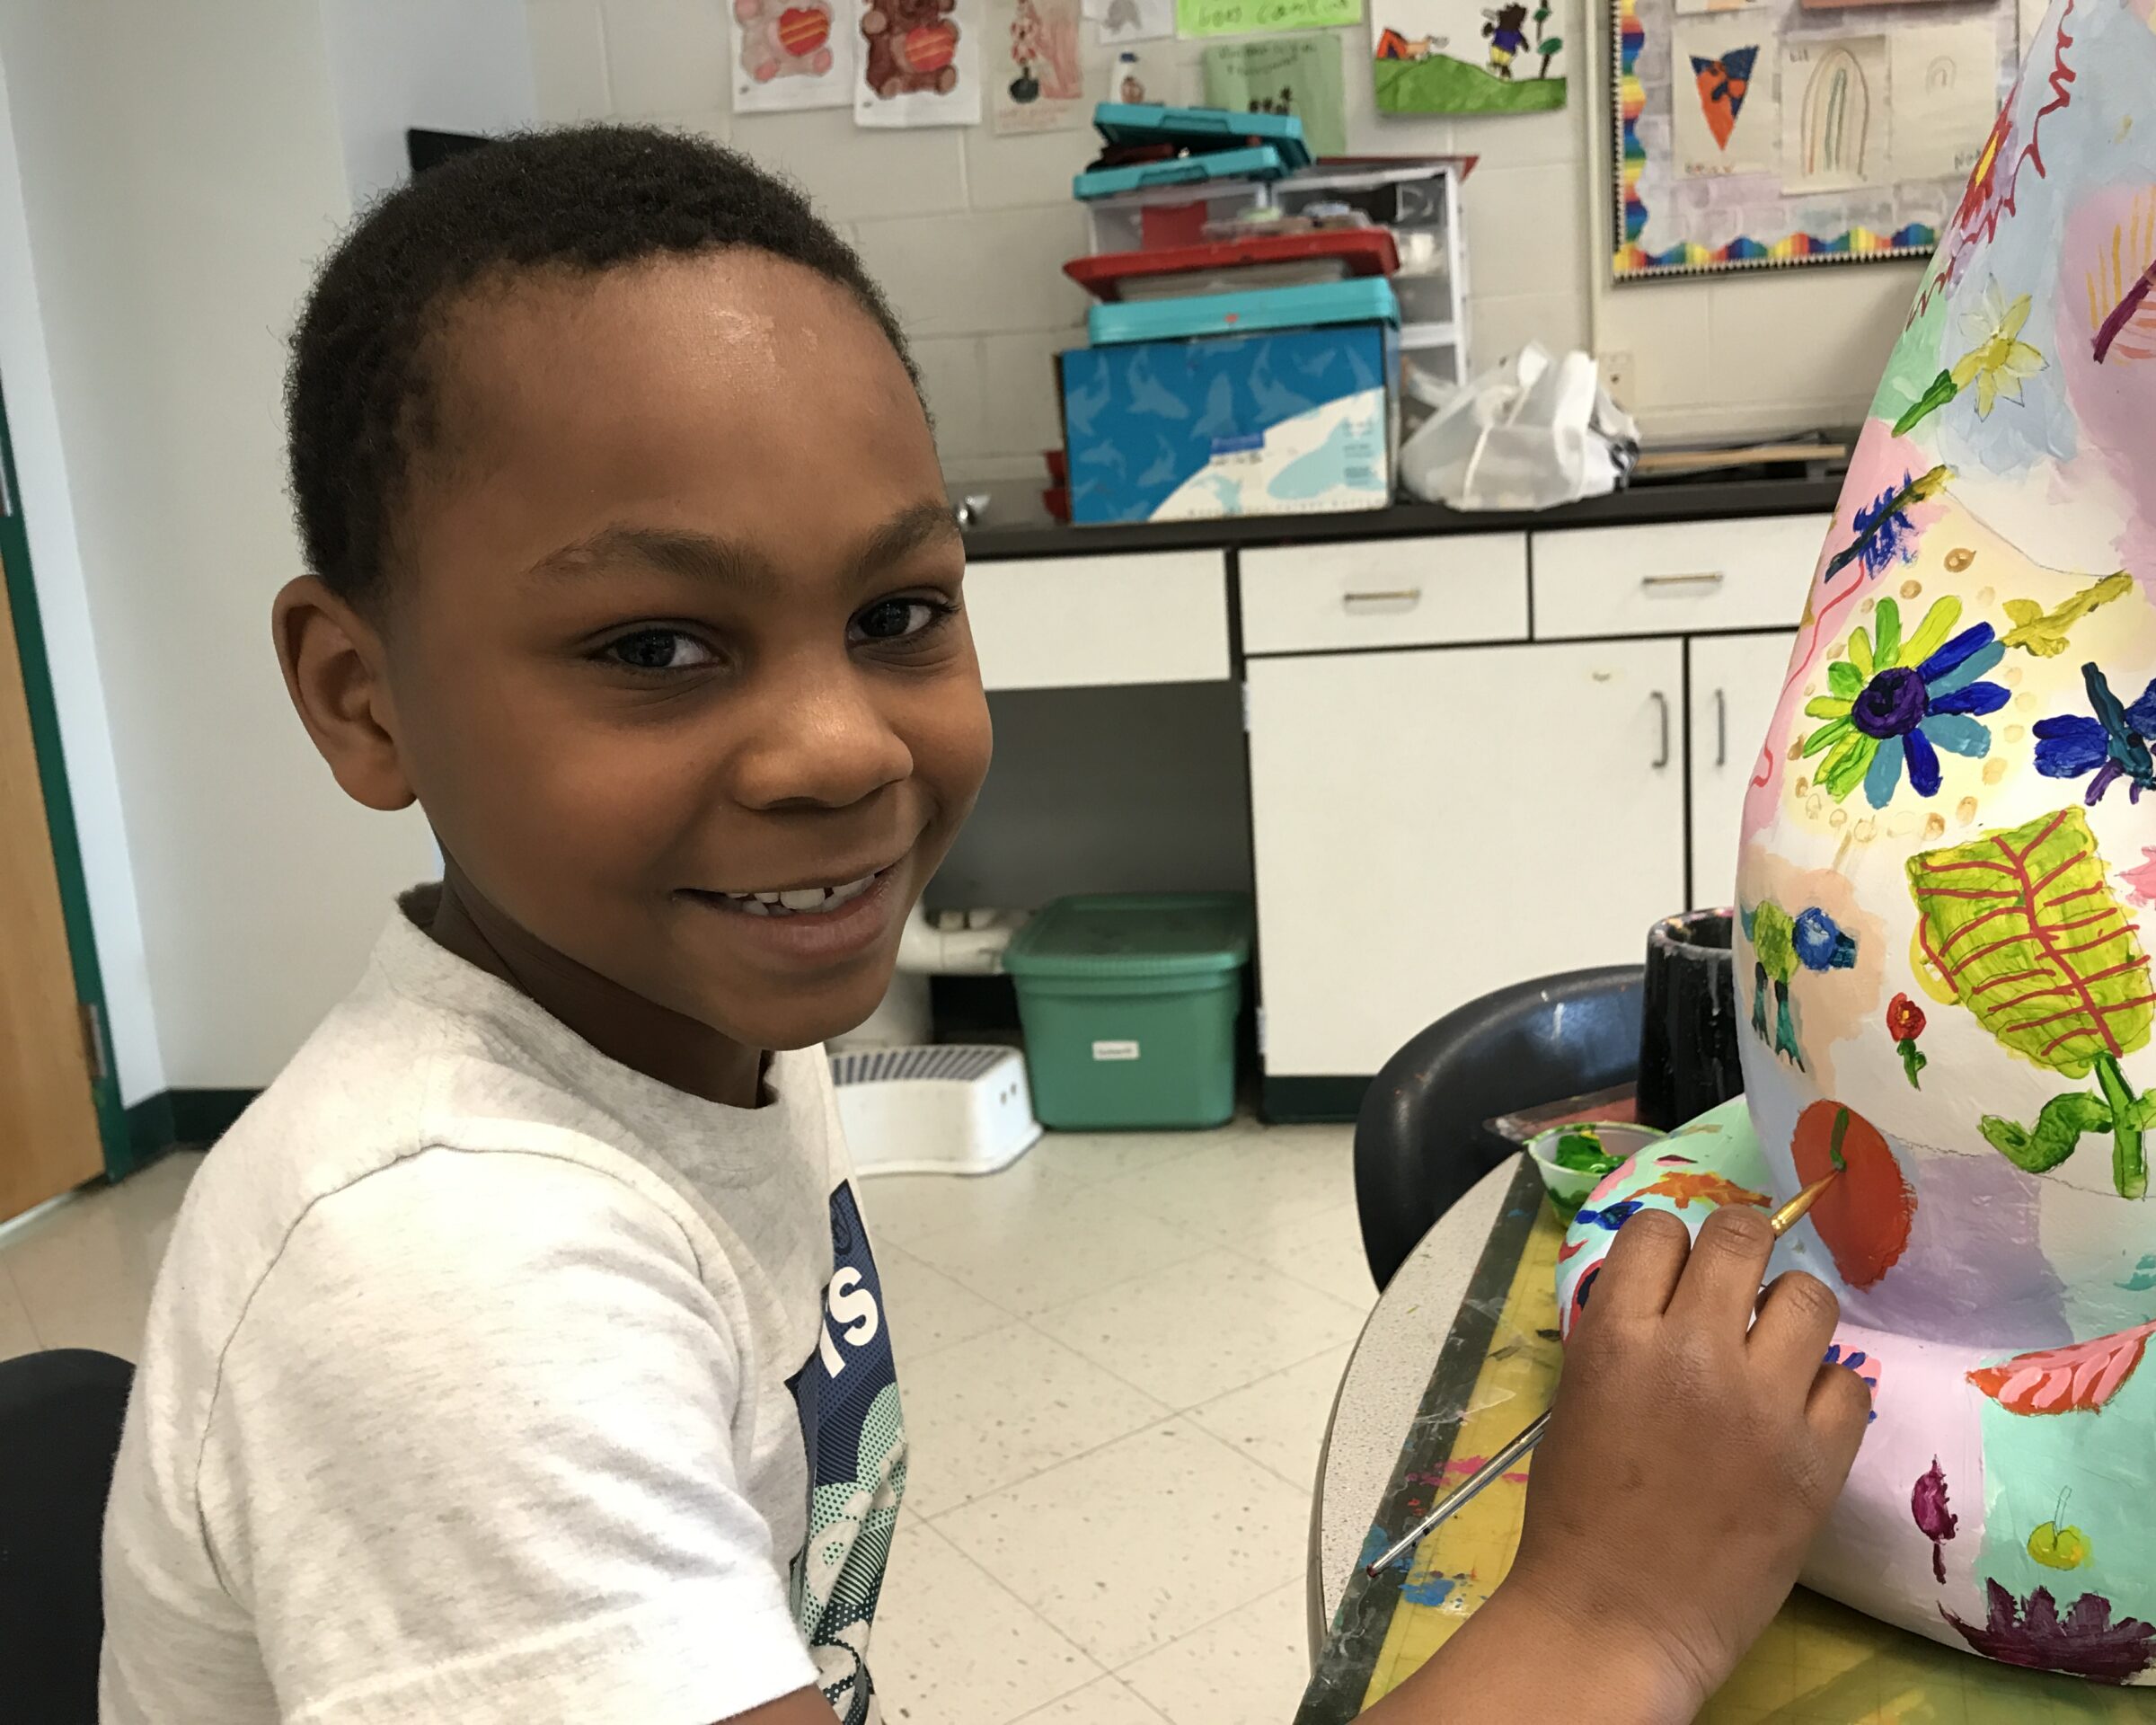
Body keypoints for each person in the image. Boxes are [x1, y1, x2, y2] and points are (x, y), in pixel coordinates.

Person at [97, 126, 1872, 1725]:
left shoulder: (683, 1029)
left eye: (894, 613)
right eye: (654, 647)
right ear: (359, 696)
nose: (839, 746)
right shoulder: (444, 1284)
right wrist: (1612, 1608)